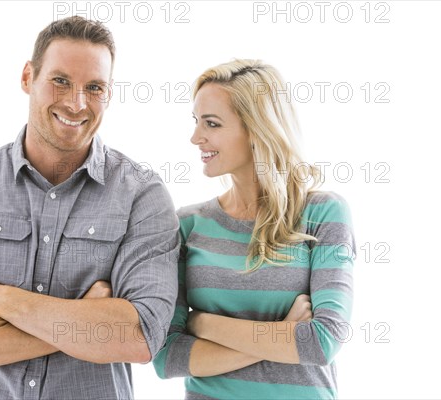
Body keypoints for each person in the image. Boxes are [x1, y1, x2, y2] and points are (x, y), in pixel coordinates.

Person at [0, 16, 179, 399]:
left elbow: (140, 336)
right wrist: (81, 325)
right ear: (27, 77)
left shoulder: (141, 196)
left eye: (95, 87)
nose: (77, 102)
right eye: (61, 80)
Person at [152, 59, 355, 399]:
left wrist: (203, 323)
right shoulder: (187, 225)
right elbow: (167, 357)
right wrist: (283, 334)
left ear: (257, 130)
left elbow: (322, 342)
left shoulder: (323, 214)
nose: (195, 137)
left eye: (212, 124)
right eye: (197, 122)